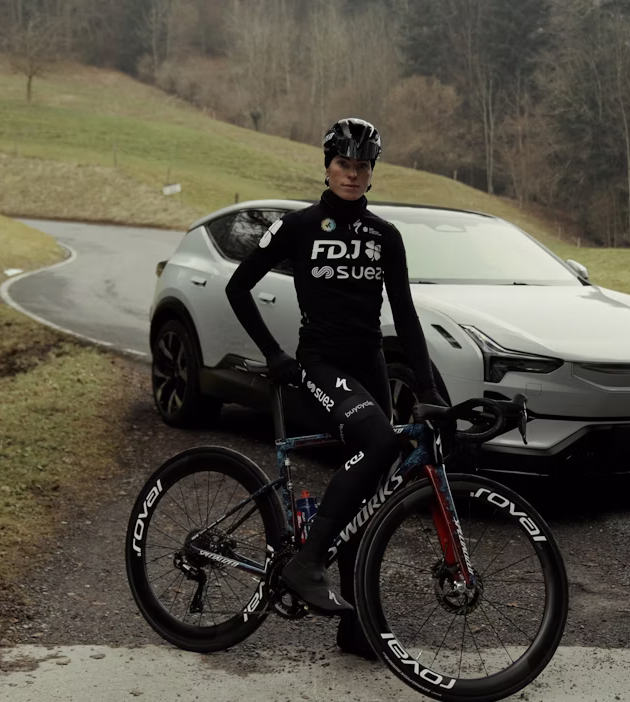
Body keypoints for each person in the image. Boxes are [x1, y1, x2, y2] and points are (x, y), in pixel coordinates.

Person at [225, 117, 446, 659]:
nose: (353, 174)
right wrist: (275, 354)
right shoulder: (299, 227)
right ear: (327, 167)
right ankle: (306, 563)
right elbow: (238, 286)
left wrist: (427, 387)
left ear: (372, 175)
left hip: (367, 364)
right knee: (377, 443)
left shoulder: (384, 236)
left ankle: (355, 623)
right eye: (344, 164)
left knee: (370, 492)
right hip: (320, 364)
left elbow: (407, 315)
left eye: (362, 166)